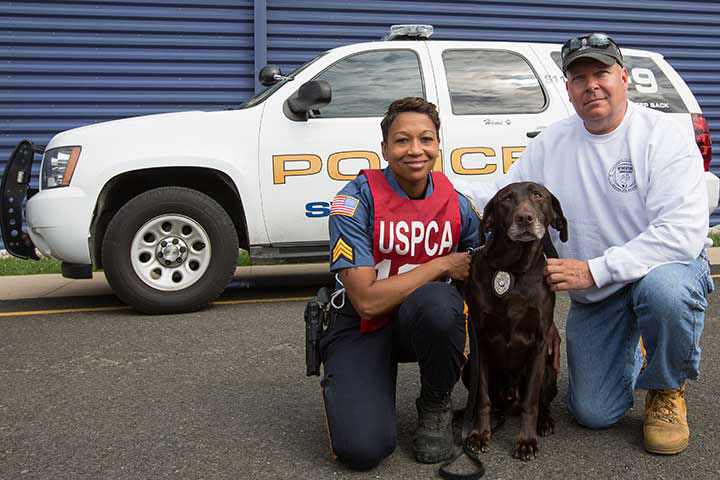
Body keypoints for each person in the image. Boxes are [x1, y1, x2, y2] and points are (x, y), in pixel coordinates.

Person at [461, 32, 714, 455]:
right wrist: (430, 193)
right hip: (600, 295)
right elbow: (498, 192)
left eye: (601, 73)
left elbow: (683, 232)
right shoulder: (553, 143)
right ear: (568, 89)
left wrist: (594, 269)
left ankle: (667, 387)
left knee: (665, 292)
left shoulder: (663, 136)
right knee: (593, 412)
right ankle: (629, 352)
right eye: (579, 78)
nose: (591, 85)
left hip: (657, 272)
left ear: (623, 78)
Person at [321, 97, 481, 470]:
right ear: (384, 148)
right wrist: (442, 263)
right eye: (402, 140)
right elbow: (367, 302)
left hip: (422, 321)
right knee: (361, 451)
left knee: (443, 305)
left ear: (438, 145)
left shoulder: (457, 204)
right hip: (360, 324)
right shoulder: (354, 201)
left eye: (426, 139)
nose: (415, 150)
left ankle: (435, 401)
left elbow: (483, 269)